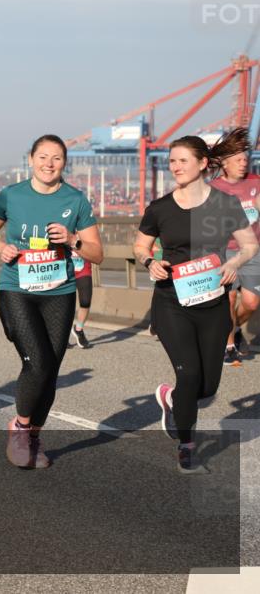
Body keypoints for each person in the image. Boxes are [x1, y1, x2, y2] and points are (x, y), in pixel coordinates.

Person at [134, 128, 258, 474]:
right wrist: (150, 262)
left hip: (214, 303)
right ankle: (187, 444)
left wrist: (234, 263)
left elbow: (250, 245)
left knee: (208, 386)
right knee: (188, 374)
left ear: (203, 164)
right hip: (172, 301)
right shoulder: (160, 208)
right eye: (172, 160)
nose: (175, 166)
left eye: (182, 160)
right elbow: (140, 246)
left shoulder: (225, 204)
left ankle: (172, 400)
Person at [0, 134, 103, 469]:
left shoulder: (75, 200)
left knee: (50, 370)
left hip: (59, 293)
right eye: (43, 157)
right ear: (31, 159)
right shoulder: (12, 195)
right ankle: (19, 428)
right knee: (37, 362)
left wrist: (74, 239)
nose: (49, 164)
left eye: (57, 158)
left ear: (65, 163)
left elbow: (98, 253)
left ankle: (34, 434)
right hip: (17, 288)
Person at [208, 141, 260, 366]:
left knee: (251, 303)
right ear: (225, 163)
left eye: (245, 159)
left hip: (252, 251)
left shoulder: (256, 182)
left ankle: (234, 329)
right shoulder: (214, 188)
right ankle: (228, 346)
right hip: (225, 251)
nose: (244, 163)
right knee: (228, 298)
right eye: (238, 160)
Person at [70, 247, 94, 349]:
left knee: (85, 301)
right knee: (66, 304)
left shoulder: (86, 230)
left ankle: (78, 329)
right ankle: (62, 333)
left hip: (83, 267)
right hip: (63, 268)